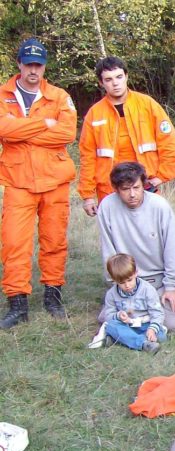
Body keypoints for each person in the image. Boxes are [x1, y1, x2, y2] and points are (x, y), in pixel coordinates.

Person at [78, 56, 175, 303]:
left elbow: (169, 144)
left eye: (119, 77)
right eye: (108, 79)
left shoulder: (147, 105)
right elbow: (87, 156)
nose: (115, 83)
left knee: (158, 238)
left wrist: (161, 177)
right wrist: (87, 195)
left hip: (146, 188)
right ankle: (124, 288)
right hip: (109, 191)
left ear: (126, 76)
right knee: (120, 242)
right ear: (101, 83)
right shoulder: (95, 114)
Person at [0, 38, 77, 329]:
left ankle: (53, 296)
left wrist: (20, 132)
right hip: (18, 181)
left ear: (44, 66)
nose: (34, 70)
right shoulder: (3, 94)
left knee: (54, 241)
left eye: (39, 65)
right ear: (19, 64)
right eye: (28, 64)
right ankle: (17, 303)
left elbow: (67, 133)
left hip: (54, 180)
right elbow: (2, 128)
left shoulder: (59, 96)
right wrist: (44, 124)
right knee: (14, 243)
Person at [97, 162, 175, 331]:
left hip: (159, 280)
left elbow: (172, 248)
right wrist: (117, 284)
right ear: (116, 189)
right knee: (110, 319)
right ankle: (135, 311)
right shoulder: (107, 207)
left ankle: (168, 305)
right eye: (125, 189)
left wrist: (171, 287)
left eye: (136, 187)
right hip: (128, 280)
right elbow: (108, 251)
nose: (132, 194)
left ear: (144, 185)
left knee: (173, 324)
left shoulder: (159, 205)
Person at [101, 253, 166, 355]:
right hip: (126, 325)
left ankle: (120, 339)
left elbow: (157, 313)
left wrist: (152, 329)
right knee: (111, 326)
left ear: (136, 273)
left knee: (161, 336)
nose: (127, 285)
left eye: (129, 280)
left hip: (145, 324)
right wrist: (118, 315)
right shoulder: (111, 294)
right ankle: (144, 343)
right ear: (114, 280)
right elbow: (108, 315)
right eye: (122, 283)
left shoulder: (147, 290)